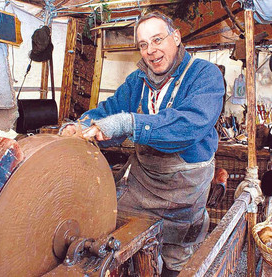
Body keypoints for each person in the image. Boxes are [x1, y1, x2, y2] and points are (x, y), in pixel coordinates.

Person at [61, 12, 225, 276]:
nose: (151, 50)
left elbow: (189, 125)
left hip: (184, 190)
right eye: (143, 44)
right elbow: (109, 111)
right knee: (119, 236)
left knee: (177, 256)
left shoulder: (205, 75)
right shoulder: (137, 81)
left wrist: (129, 124)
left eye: (158, 39)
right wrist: (80, 126)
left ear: (176, 37)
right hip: (142, 183)